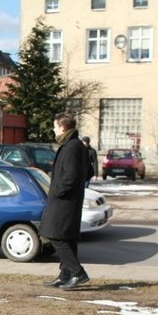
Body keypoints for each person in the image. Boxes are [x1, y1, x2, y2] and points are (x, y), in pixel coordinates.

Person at [41, 113, 90, 290]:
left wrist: (58, 192)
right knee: (67, 238)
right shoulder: (73, 144)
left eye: (55, 126)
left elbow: (71, 176)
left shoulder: (72, 146)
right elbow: (88, 171)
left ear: (63, 127)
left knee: (56, 236)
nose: (53, 129)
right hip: (68, 200)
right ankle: (65, 274)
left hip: (64, 201)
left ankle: (78, 272)